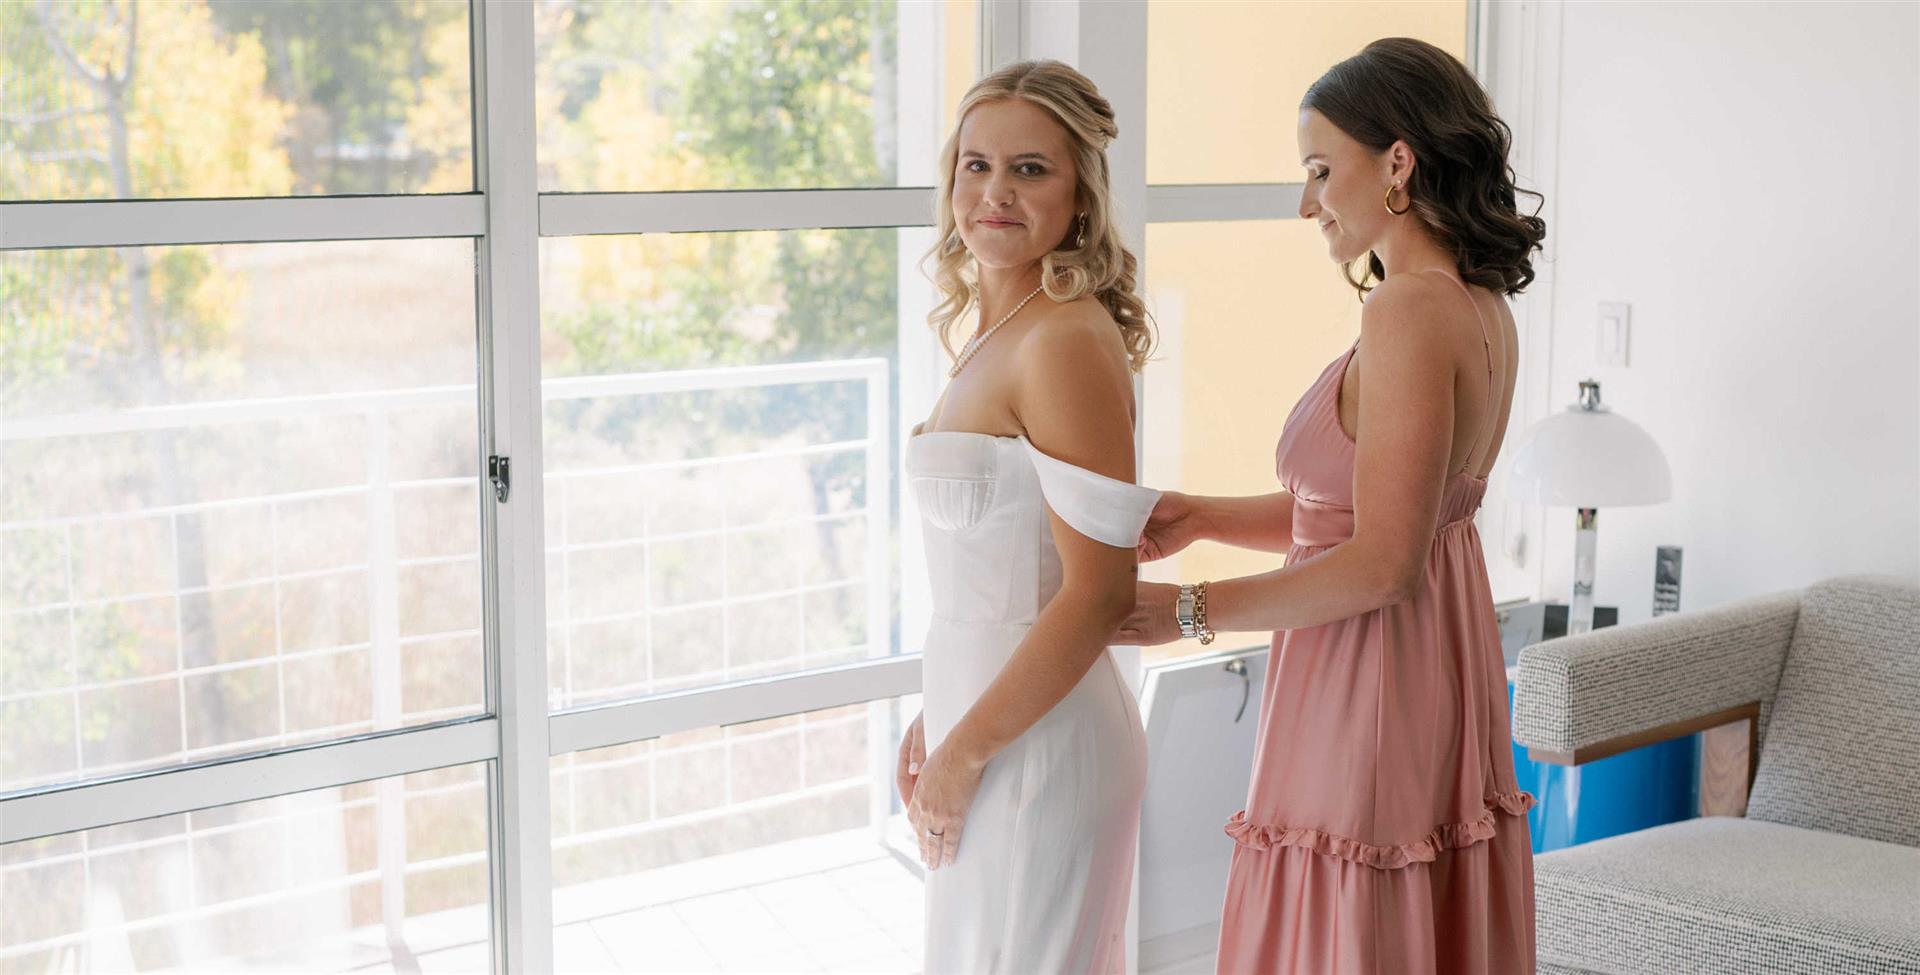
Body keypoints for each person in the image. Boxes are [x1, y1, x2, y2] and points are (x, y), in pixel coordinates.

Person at [1118, 37, 1547, 974]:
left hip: (1367, 677)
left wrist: (1185, 611)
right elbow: (1371, 513)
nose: (1306, 203)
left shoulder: (1406, 310)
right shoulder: (1480, 304)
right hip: (1433, 669)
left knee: (1345, 931)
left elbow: (1383, 561)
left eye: (1319, 170)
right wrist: (1202, 514)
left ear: (1398, 162)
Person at [894, 59, 1158, 974]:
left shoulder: (1063, 339)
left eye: (1030, 169)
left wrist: (962, 752)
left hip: (1041, 753)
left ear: (1081, 194)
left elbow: (1097, 593)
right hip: (989, 724)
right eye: (977, 165)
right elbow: (990, 570)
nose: (995, 192)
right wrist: (940, 718)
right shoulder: (996, 332)